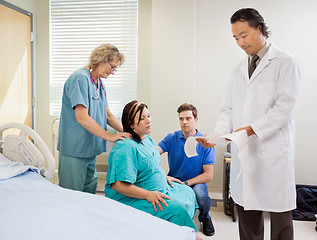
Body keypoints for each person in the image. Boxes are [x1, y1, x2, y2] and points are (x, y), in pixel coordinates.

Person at [197, 8, 301, 240]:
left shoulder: (285, 62)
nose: (240, 42)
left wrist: (251, 130)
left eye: (243, 35)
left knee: (280, 217)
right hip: (244, 152)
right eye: (235, 38)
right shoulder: (238, 70)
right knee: (246, 210)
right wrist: (215, 136)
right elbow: (228, 110)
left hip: (273, 152)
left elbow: (284, 108)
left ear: (260, 29)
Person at [104, 100, 198, 231]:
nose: (148, 121)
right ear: (131, 125)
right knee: (178, 209)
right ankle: (185, 233)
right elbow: (118, 185)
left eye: (148, 116)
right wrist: (148, 195)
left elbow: (151, 165)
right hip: (135, 197)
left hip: (158, 187)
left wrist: (164, 177)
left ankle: (179, 230)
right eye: (142, 119)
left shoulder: (147, 140)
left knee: (187, 191)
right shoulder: (126, 147)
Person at [57, 44, 130, 194]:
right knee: (71, 196)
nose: (113, 72)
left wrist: (129, 133)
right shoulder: (80, 79)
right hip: (75, 150)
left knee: (88, 194)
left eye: (115, 69)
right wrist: (110, 137)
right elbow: (82, 117)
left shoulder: (98, 83)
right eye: (112, 67)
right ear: (101, 60)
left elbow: (107, 114)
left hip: (90, 151)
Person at [157, 103, 216, 236]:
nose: (184, 122)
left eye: (188, 118)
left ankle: (205, 218)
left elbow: (208, 175)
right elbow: (153, 154)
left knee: (201, 194)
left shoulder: (205, 142)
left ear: (196, 119)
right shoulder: (171, 138)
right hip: (174, 180)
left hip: (196, 182)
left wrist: (187, 183)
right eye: (181, 118)